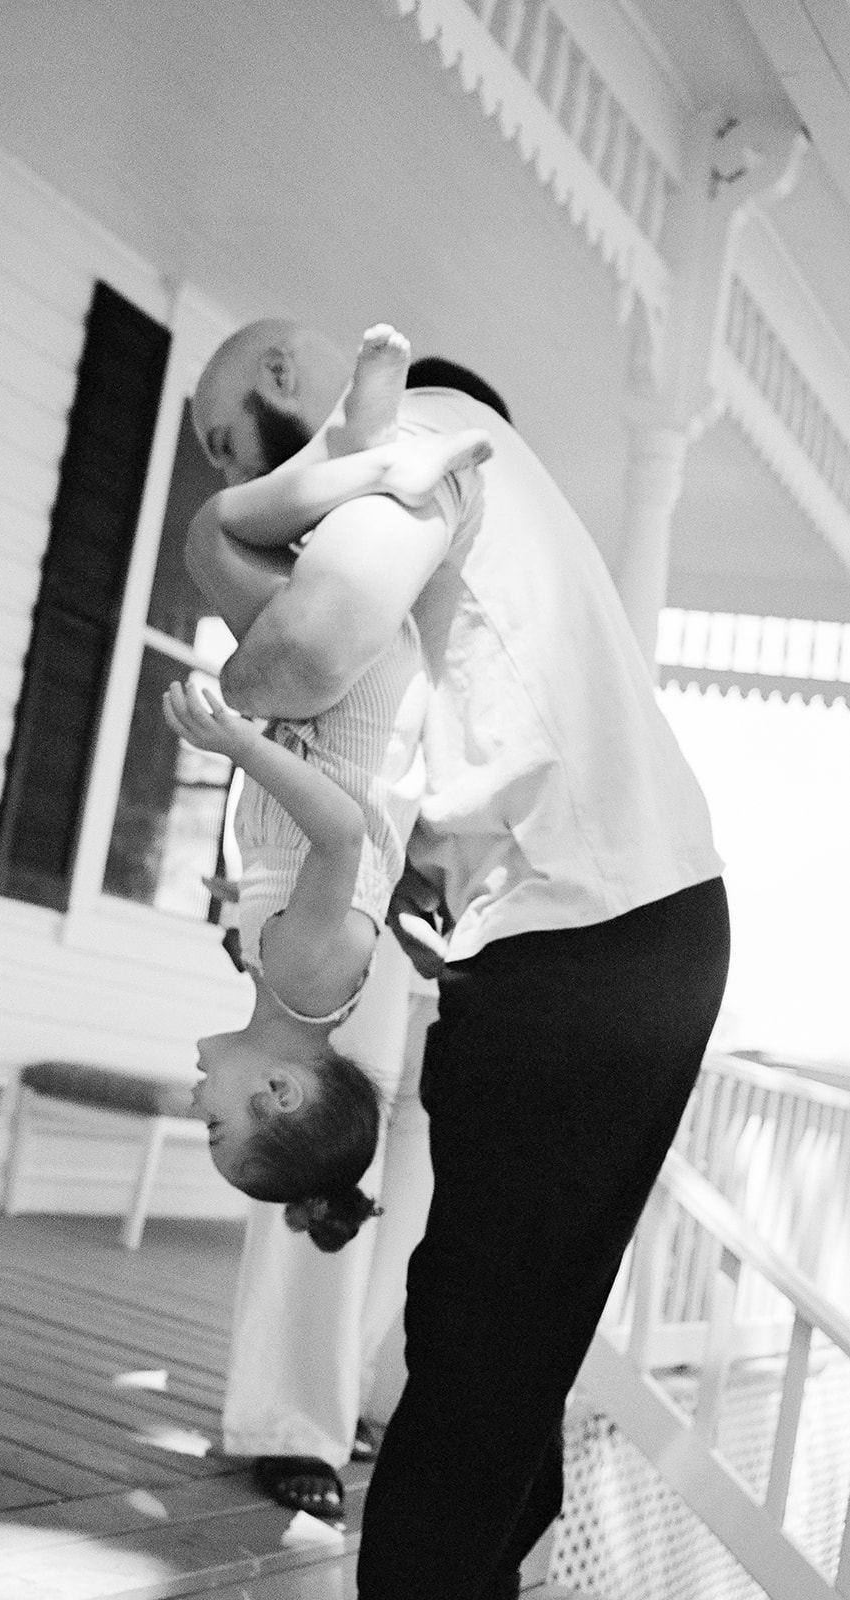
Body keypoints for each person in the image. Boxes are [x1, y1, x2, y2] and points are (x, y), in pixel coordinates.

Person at [189, 317, 730, 1600]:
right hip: (634, 933)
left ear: (277, 381)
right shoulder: (462, 485)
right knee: (508, 1352)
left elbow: (304, 657)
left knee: (477, 1358)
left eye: (224, 441)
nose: (230, 477)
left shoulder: (422, 433)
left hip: (589, 946)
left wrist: (210, 544)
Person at [165, 327, 492, 1245]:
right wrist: (235, 742)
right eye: (216, 1119)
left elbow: (332, 864)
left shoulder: (294, 979)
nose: (200, 1101)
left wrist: (246, 880)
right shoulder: (305, 979)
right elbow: (342, 834)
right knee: (211, 530)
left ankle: (365, 431)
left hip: (347, 701)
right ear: (277, 1091)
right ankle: (383, 462)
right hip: (343, 698)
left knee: (253, 529)